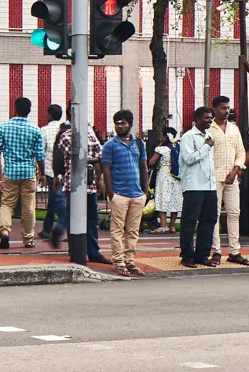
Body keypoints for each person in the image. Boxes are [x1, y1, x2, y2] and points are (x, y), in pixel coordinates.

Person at [55, 107, 109, 265]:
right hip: (73, 185)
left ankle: (93, 251)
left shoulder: (90, 134)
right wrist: (91, 159)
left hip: (89, 185)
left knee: (92, 219)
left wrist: (95, 171)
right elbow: (79, 157)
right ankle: (76, 251)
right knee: (74, 219)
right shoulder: (66, 136)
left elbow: (99, 155)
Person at [98, 110, 147, 277]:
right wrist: (111, 193)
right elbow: (106, 170)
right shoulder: (110, 145)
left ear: (130, 124)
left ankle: (130, 261)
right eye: (117, 123)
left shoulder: (139, 144)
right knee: (117, 230)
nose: (119, 126)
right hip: (119, 194)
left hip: (137, 194)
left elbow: (144, 168)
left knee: (133, 231)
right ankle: (119, 262)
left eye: (123, 123)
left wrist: (145, 192)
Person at [0, 97, 42, 253]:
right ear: (29, 110)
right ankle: (28, 238)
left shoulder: (4, 127)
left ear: (15, 108)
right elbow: (39, 155)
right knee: (28, 207)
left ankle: (5, 231)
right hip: (28, 172)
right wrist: (41, 172)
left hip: (10, 172)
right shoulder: (35, 130)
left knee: (7, 204)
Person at [206, 96, 248, 266]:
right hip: (213, 177)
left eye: (228, 108)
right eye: (223, 108)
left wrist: (235, 171)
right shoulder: (209, 129)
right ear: (214, 109)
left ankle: (234, 251)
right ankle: (216, 251)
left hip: (232, 178)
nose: (226, 111)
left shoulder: (234, 129)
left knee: (234, 213)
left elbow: (242, 153)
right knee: (214, 215)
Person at [177, 107, 218, 268]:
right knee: (189, 221)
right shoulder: (188, 136)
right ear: (197, 118)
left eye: (211, 118)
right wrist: (206, 147)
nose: (209, 120)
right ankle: (187, 255)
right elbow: (189, 159)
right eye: (206, 118)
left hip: (209, 185)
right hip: (194, 185)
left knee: (209, 220)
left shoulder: (209, 136)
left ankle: (202, 255)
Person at [38, 104, 66, 247]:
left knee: (57, 200)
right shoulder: (65, 129)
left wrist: (41, 172)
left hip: (50, 170)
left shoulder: (44, 130)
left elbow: (41, 152)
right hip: (64, 171)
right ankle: (47, 228)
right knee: (55, 199)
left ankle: (62, 226)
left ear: (49, 115)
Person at [151, 126, 182, 233]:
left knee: (162, 198)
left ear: (165, 136)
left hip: (164, 175)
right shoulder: (178, 148)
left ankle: (164, 225)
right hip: (176, 176)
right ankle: (172, 226)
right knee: (175, 199)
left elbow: (151, 162)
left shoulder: (162, 149)